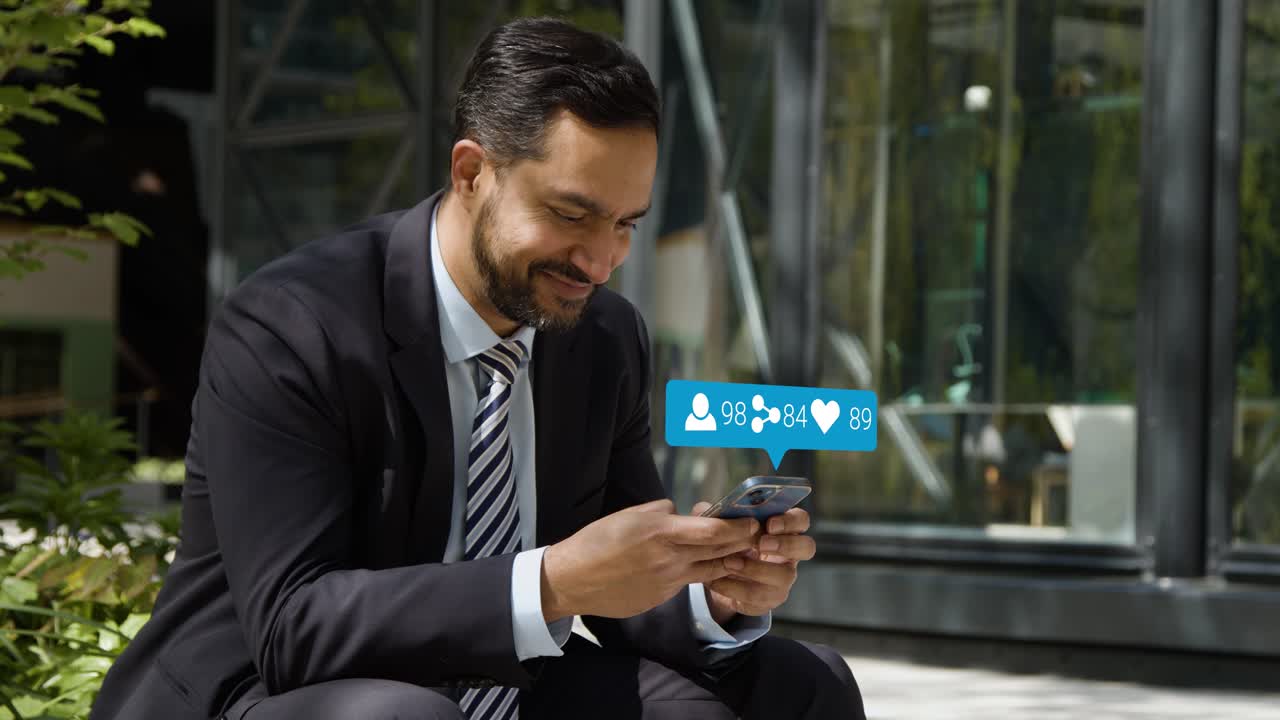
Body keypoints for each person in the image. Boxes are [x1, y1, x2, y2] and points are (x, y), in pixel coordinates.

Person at [89, 17, 864, 720]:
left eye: (626, 224)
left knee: (802, 683)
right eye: (570, 214)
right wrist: (552, 582)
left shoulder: (604, 338)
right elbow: (294, 628)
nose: (600, 261)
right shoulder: (292, 325)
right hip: (264, 691)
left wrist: (712, 593)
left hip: (506, 682)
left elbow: (620, 582)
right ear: (471, 173)